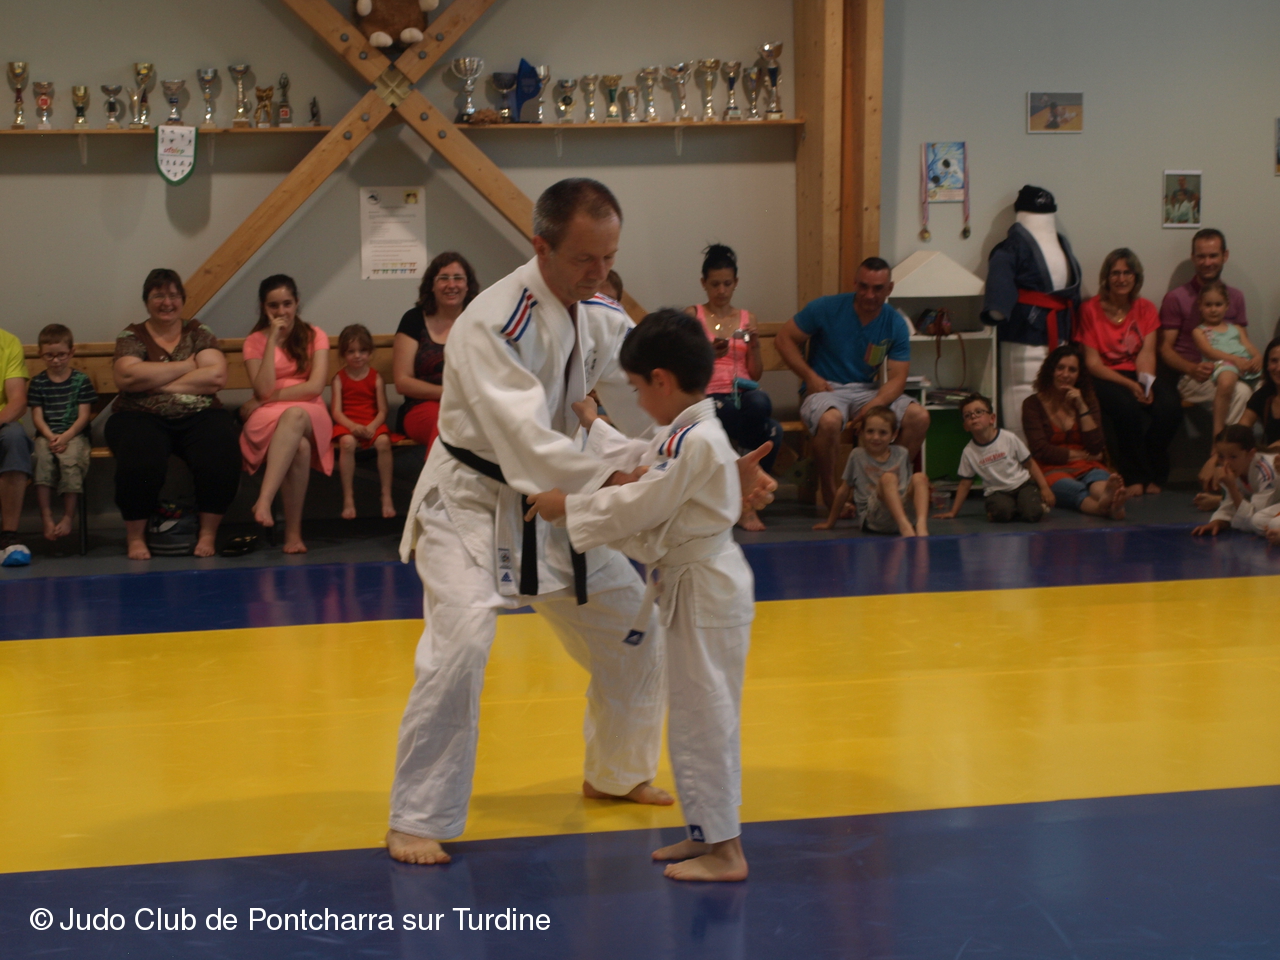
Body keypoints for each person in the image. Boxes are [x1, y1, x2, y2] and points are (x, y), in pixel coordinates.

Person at [388, 178, 774, 867]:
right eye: (584, 259)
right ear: (541, 246)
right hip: (473, 502)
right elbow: (526, 440)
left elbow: (657, 394)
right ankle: (416, 816)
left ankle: (617, 773)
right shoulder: (492, 323)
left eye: (609, 258)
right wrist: (613, 480)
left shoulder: (596, 312)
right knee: (463, 642)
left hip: (558, 503)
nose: (599, 273)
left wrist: (715, 463)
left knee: (633, 632)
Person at [525, 309, 754, 882]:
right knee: (692, 715)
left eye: (635, 387)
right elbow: (639, 458)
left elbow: (642, 501)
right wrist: (594, 421)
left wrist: (567, 506)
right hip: (692, 584)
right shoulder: (685, 432)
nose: (636, 399)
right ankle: (704, 833)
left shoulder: (699, 440)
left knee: (707, 716)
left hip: (705, 587)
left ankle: (727, 851)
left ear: (661, 381)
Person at [775, 256, 929, 510]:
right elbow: (784, 339)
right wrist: (810, 377)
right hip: (827, 389)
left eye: (877, 288)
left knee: (919, 417)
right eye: (863, 287)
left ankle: (885, 487)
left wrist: (876, 403)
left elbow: (898, 378)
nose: (869, 295)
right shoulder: (826, 307)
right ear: (855, 283)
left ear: (889, 289)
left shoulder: (894, 322)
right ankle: (830, 493)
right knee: (830, 421)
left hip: (868, 390)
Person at [106, 269, 239, 560]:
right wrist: (187, 366)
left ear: (182, 299)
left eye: (173, 295)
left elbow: (216, 377)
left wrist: (155, 381)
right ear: (146, 301)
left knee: (221, 448)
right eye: (158, 296)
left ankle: (207, 533)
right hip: (139, 414)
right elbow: (127, 377)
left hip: (199, 414)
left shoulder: (198, 332)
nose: (167, 302)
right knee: (140, 455)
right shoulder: (132, 335)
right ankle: (135, 536)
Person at [686, 243, 783, 531]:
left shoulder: (747, 318)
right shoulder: (692, 316)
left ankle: (743, 496)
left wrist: (754, 345)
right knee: (762, 427)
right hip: (708, 396)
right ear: (704, 283)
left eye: (727, 284)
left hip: (742, 393)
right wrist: (708, 354)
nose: (721, 291)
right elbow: (683, 365)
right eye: (715, 284)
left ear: (736, 282)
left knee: (765, 411)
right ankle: (744, 500)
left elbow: (756, 372)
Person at [1077, 248, 1181, 497]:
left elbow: (1147, 354)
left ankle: (1153, 466)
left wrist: (1144, 385)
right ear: (1106, 277)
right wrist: (1130, 386)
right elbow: (1093, 364)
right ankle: (1134, 476)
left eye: (1127, 273)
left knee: (1170, 407)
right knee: (1127, 408)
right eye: (1115, 273)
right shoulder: (1090, 309)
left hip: (1138, 373)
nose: (1121, 279)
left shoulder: (1146, 308)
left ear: (1136, 277)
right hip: (1104, 375)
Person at [239, 274, 332, 554]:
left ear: (297, 303)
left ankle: (264, 499)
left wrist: (263, 400)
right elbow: (263, 388)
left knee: (295, 416)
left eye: (287, 304)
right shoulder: (254, 341)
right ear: (263, 307)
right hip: (268, 416)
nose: (281, 311)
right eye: (273, 306)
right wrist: (271, 341)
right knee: (299, 448)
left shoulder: (315, 335)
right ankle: (293, 535)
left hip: (309, 410)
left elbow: (315, 386)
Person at [1159, 229, 1251, 485]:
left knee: (1250, 391)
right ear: (1193, 258)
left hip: (1231, 371)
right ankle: (1224, 469)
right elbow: (1165, 349)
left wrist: (1252, 361)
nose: (1207, 262)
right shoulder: (1176, 298)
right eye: (1201, 256)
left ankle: (1222, 464)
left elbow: (1243, 340)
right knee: (1241, 394)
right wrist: (1190, 368)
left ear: (1225, 256)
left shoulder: (1235, 297)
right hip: (1194, 376)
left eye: (1213, 255)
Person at [1022, 343, 1127, 519]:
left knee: (1098, 480)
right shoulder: (1032, 404)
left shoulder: (1088, 400)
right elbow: (1041, 450)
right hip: (1051, 468)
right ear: (1050, 371)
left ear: (1079, 375)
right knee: (1076, 490)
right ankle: (1109, 508)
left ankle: (1109, 498)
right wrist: (1083, 455)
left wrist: (1082, 406)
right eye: (1060, 368)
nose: (1065, 374)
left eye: (1072, 370)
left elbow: (1096, 446)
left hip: (1087, 466)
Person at [393, 252, 478, 452]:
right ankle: (441, 474)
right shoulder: (413, 320)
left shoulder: (478, 320)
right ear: (432, 285)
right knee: (445, 425)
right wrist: (449, 393)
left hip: (470, 405)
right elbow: (402, 381)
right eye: (443, 278)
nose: (451, 285)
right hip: (422, 407)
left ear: (467, 285)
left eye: (458, 278)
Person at [934, 393, 1054, 523]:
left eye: (978, 412)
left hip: (1022, 485)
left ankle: (1025, 506)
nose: (973, 416)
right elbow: (965, 483)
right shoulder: (969, 452)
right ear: (966, 426)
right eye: (968, 415)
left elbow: (1030, 463)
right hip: (997, 491)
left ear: (992, 418)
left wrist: (1044, 488)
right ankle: (1012, 508)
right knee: (1001, 513)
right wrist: (953, 512)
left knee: (1032, 513)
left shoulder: (1009, 438)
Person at [813, 405, 928, 537]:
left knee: (919, 477)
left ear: (894, 434)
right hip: (874, 517)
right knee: (888, 478)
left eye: (883, 433)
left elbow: (909, 487)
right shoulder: (857, 456)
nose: (876, 437)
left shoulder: (902, 453)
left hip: (903, 510)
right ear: (861, 432)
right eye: (870, 431)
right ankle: (904, 526)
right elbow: (844, 490)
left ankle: (921, 525)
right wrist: (830, 522)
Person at [29, 324, 97, 541]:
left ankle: (68, 516)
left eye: (61, 355)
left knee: (70, 461)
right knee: (41, 459)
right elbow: (37, 417)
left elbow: (84, 416)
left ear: (71, 352)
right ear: (40, 354)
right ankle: (46, 516)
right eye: (49, 355)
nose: (56, 360)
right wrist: (51, 437)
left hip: (74, 435)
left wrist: (66, 436)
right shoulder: (38, 382)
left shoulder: (81, 381)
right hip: (46, 435)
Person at [331, 323, 395, 520]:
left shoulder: (376, 378)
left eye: (362, 351)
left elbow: (383, 410)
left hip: (371, 422)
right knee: (347, 443)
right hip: (348, 423)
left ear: (370, 352)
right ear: (343, 354)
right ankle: (348, 497)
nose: (357, 355)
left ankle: (386, 494)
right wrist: (352, 427)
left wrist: (372, 426)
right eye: (351, 351)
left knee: (384, 442)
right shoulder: (339, 379)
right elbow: (336, 411)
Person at [1186, 279, 1261, 438]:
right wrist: (1235, 360)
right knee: (1227, 382)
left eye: (1218, 304)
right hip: (1222, 364)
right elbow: (1209, 352)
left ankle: (1267, 437)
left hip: (1244, 363)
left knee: (1268, 386)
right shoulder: (1199, 331)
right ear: (1200, 306)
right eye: (1208, 305)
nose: (1213, 309)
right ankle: (1218, 434)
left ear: (1227, 306)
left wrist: (1258, 357)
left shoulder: (1236, 328)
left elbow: (1249, 346)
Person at [1191, 425, 1276, 538]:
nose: (1226, 463)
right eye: (1221, 456)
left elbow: (1251, 522)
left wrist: (1232, 487)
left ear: (1251, 454)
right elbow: (1229, 504)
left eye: (1233, 457)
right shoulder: (1235, 469)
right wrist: (1218, 521)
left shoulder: (1267, 473)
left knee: (1259, 521)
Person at [0, 325, 32, 566]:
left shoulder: (8, 342)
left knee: (15, 437)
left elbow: (18, 401)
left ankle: (8, 537)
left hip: (2, 424)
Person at [1239, 338, 1280, 451]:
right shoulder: (1263, 395)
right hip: (1271, 457)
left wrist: (1267, 452)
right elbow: (1240, 431)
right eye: (1274, 361)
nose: (1278, 368)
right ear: (1267, 365)